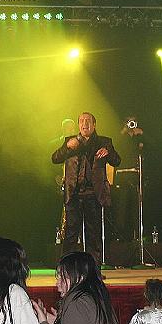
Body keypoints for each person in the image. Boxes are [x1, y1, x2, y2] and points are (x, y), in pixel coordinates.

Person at [52, 113, 121, 265]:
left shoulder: (104, 142)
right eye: (82, 121)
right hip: (74, 194)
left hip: (94, 194)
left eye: (88, 121)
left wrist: (109, 152)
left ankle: (93, 269)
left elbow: (117, 161)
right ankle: (66, 269)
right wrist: (66, 147)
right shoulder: (70, 141)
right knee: (70, 234)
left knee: (93, 235)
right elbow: (55, 158)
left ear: (94, 125)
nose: (85, 124)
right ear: (79, 125)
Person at [112, 117, 145, 241]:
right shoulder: (122, 137)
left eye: (133, 122)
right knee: (122, 206)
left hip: (135, 174)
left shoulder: (138, 137)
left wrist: (142, 134)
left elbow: (151, 146)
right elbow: (113, 146)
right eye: (129, 122)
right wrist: (124, 131)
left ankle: (137, 235)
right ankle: (120, 235)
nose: (131, 124)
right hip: (122, 175)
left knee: (136, 205)